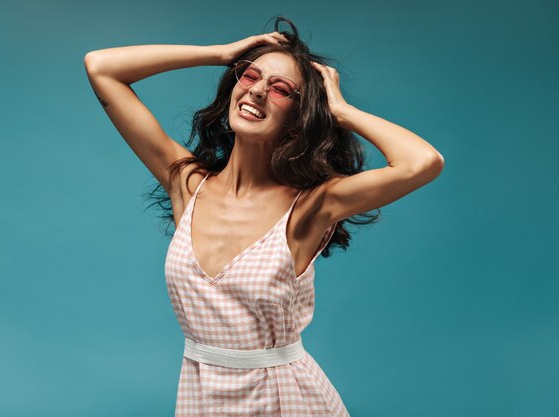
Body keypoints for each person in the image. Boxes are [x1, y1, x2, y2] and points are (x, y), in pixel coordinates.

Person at [84, 16, 443, 417]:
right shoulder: (188, 184)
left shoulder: (309, 206)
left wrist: (339, 110)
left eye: (280, 89)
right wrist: (220, 54)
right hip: (201, 397)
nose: (256, 91)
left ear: (299, 115)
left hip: (285, 401)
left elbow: (422, 162)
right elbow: (102, 67)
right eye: (250, 75)